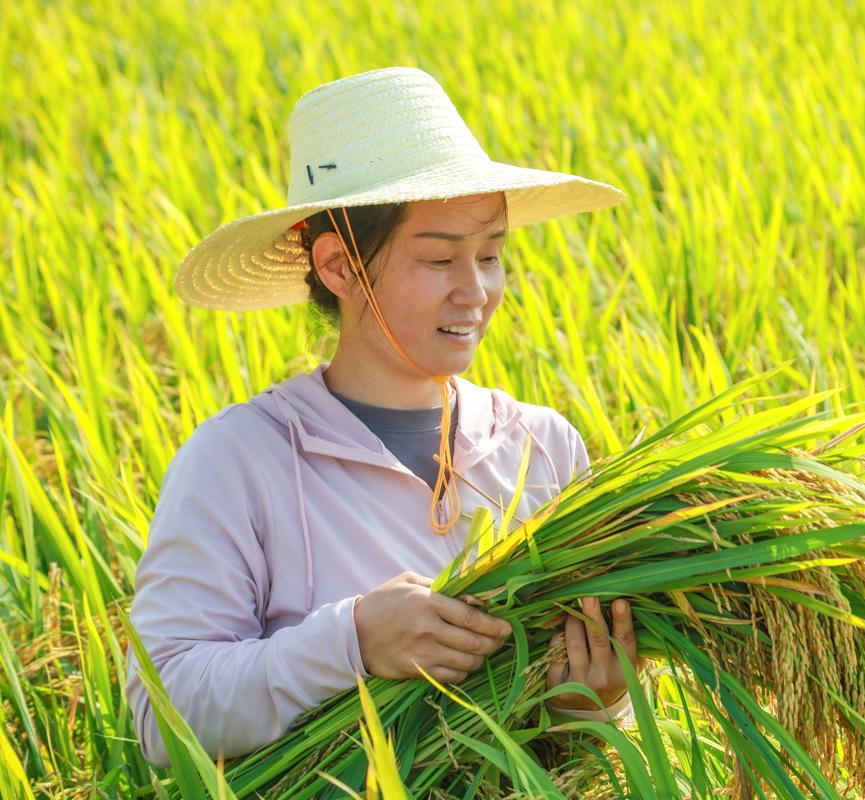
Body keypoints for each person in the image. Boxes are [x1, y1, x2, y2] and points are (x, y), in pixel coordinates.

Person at [125, 66, 641, 769]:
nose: (477, 291)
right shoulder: (241, 460)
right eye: (439, 259)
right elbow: (163, 715)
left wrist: (595, 706)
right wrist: (352, 643)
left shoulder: (542, 447)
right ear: (339, 267)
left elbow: (591, 734)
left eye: (491, 255)